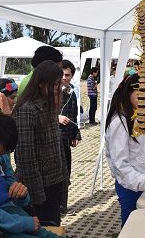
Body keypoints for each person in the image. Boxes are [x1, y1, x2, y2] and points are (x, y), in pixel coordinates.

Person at [105, 73, 145, 227]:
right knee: (132, 227)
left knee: (143, 225)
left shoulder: (136, 116)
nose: (144, 100)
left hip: (140, 182)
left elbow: (139, 153)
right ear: (128, 92)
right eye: (140, 95)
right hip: (129, 187)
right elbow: (121, 166)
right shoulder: (119, 123)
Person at [12, 60, 70, 225]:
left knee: (52, 227)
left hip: (54, 183)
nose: (58, 88)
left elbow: (57, 147)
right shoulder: (27, 110)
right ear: (40, 83)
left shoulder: (50, 106)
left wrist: (63, 178)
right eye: (54, 84)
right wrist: (37, 197)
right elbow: (25, 157)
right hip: (36, 188)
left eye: (59, 84)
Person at [58, 59, 81, 216]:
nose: (64, 78)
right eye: (62, 75)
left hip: (67, 140)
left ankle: (63, 207)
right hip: (54, 140)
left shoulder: (72, 91)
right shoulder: (49, 91)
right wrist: (56, 118)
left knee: (66, 174)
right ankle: (55, 207)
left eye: (68, 75)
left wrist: (76, 134)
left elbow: (74, 114)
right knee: (57, 176)